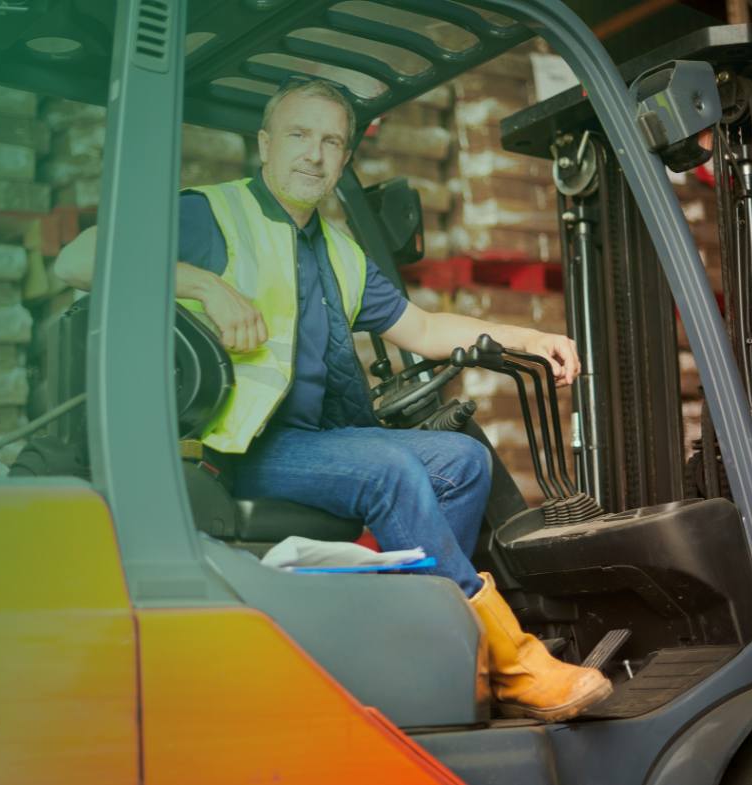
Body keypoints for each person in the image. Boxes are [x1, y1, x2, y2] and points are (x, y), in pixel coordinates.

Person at [54, 79, 612, 722]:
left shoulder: (340, 253)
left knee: (463, 461)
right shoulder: (208, 214)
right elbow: (78, 258)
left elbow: (423, 330)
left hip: (312, 444)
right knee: (391, 469)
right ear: (264, 144)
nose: (314, 155)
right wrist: (204, 285)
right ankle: (508, 657)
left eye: (331, 142)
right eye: (298, 135)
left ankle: (427, 646)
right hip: (235, 448)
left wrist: (526, 338)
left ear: (345, 159)